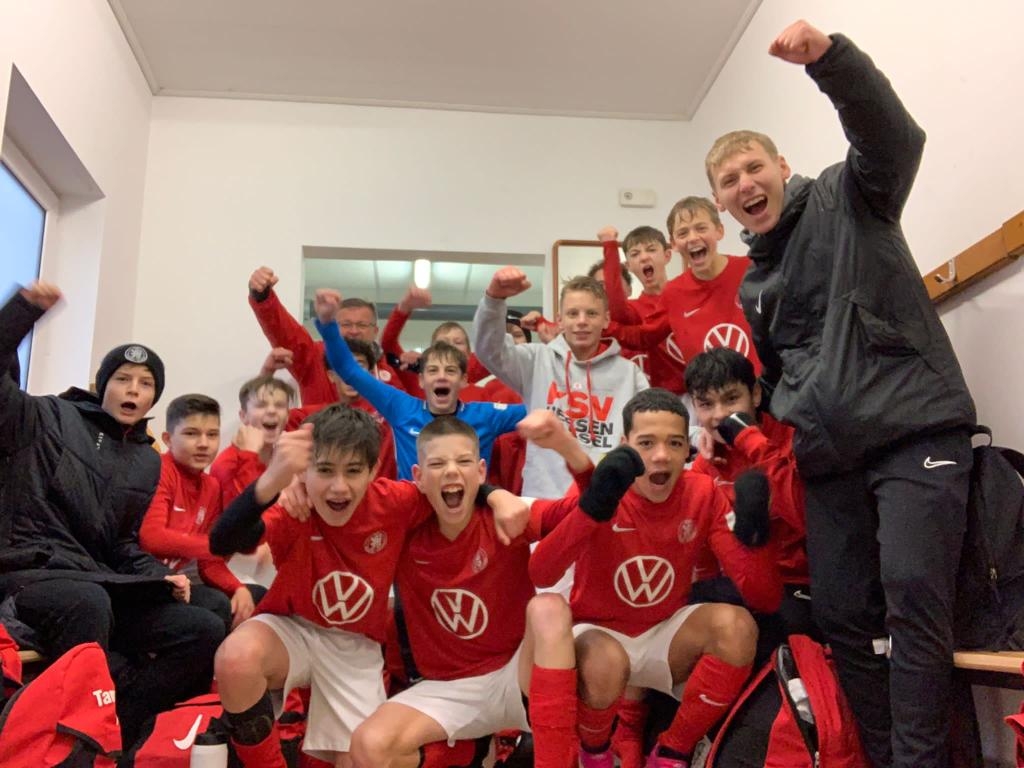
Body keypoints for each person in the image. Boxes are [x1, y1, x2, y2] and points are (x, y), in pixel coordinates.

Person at [704, 20, 976, 768]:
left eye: (753, 167)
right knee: (843, 616)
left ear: (781, 166)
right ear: (721, 204)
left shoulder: (847, 195)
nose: (745, 184)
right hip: (830, 463)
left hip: (914, 434)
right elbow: (779, 376)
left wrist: (830, 60)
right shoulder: (754, 286)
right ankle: (884, 757)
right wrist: (737, 424)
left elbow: (893, 136)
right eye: (728, 181)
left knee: (914, 603)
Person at [208, 405, 528, 767]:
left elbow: (450, 486)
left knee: (364, 756)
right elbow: (222, 542)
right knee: (236, 659)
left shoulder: (396, 501)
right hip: (293, 627)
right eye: (325, 470)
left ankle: (469, 750)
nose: (339, 486)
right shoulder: (296, 506)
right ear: (305, 471)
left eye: (353, 471)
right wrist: (273, 480)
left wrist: (496, 495)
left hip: (355, 647)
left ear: (374, 471)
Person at [0, 282, 224, 746]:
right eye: (123, 379)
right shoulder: (46, 418)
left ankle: (118, 729)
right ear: (103, 385)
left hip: (94, 576)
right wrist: (22, 311)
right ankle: (67, 741)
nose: (133, 390)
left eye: (146, 384)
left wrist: (157, 576)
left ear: (153, 399)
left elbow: (121, 543)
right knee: (89, 602)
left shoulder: (145, 459)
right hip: (27, 573)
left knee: (204, 623)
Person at [530, 388, 781, 768]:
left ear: (686, 450)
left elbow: (764, 599)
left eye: (674, 443)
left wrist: (756, 538)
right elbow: (542, 572)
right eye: (647, 443)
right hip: (599, 633)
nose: (661, 455)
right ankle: (595, 751)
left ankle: (672, 751)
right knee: (605, 661)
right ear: (625, 446)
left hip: (664, 633)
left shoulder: (702, 493)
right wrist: (592, 510)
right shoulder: (601, 484)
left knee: (738, 626)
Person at [350, 415, 584, 768]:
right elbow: (342, 495)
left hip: (516, 672)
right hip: (447, 686)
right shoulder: (402, 524)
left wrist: (568, 449)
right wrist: (296, 486)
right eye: (437, 464)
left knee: (549, 608)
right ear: (417, 477)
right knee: (368, 746)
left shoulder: (509, 514)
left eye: (462, 462)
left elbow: (592, 508)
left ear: (480, 470)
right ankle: (471, 750)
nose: (450, 471)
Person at [314, 289, 527, 479]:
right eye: (433, 370)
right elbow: (348, 369)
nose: (441, 377)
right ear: (421, 379)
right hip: (410, 508)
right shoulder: (401, 408)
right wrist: (327, 324)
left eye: (450, 370)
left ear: (464, 380)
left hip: (469, 508)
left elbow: (540, 408)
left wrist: (546, 345)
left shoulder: (486, 416)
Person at [472, 270, 650, 499]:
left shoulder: (629, 373)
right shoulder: (536, 360)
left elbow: (652, 426)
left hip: (606, 500)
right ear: (560, 320)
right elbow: (489, 350)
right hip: (543, 499)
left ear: (606, 319)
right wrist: (494, 300)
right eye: (573, 313)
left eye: (591, 313)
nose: (582, 321)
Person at [684, 348, 813, 645]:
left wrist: (749, 441)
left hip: (799, 586)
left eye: (731, 399)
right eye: (706, 404)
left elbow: (805, 517)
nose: (720, 414)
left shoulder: (792, 438)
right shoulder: (706, 461)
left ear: (755, 395)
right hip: (739, 585)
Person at [140, 393, 265, 632]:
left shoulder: (211, 486)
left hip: (180, 584)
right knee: (217, 607)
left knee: (256, 596)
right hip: (145, 581)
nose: (204, 444)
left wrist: (237, 588)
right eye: (191, 434)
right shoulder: (159, 469)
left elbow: (209, 563)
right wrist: (215, 545)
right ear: (168, 439)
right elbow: (152, 537)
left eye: (212, 434)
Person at [247, 266, 406, 404]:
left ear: (375, 331)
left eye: (362, 325)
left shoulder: (392, 369)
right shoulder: (315, 357)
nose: (354, 330)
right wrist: (262, 296)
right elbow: (284, 332)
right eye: (346, 324)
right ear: (333, 326)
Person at [211, 374, 295, 510]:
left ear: (287, 416)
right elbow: (242, 515)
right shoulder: (226, 464)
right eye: (261, 405)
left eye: (280, 405)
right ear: (243, 416)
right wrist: (250, 457)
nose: (272, 411)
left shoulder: (289, 459)